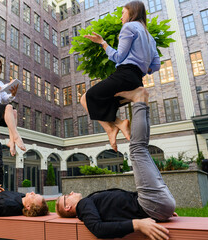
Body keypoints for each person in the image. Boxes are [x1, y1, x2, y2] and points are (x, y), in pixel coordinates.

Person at [56, 88, 176, 240]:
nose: (71, 193)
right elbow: (98, 229)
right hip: (151, 204)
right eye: (67, 196)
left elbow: (122, 206)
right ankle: (139, 99)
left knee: (139, 149)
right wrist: (137, 224)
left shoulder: (90, 204)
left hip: (154, 204)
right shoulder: (83, 206)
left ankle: (138, 102)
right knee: (137, 149)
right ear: (68, 207)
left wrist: (161, 210)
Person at [81, 1, 161, 151]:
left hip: (124, 76)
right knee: (103, 101)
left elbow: (118, 57)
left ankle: (115, 126)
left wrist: (102, 43)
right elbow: (156, 65)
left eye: (123, 13)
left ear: (132, 13)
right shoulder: (150, 37)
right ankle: (117, 125)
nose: (121, 18)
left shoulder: (129, 27)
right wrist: (142, 66)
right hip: (136, 79)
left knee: (86, 97)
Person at [0, 117, 49, 217]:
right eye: (36, 194)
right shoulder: (22, 197)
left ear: (28, 206)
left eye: (34, 197)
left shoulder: (8, 206)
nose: (33, 192)